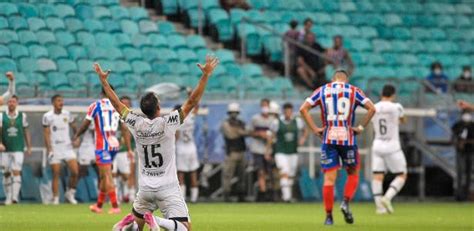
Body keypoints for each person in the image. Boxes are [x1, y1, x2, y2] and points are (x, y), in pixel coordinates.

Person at [111, 56, 219, 231]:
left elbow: (117, 104)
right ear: (158, 107)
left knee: (136, 227)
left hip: (145, 188)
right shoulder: (168, 123)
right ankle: (158, 221)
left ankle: (123, 228)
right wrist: (205, 75)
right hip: (167, 187)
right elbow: (192, 101)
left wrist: (104, 82)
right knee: (185, 228)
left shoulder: (136, 124)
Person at [299, 70, 376, 225]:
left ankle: (328, 217)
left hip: (329, 138)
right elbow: (372, 108)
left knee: (329, 179)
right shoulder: (353, 90)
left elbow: (303, 109)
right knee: (353, 173)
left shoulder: (322, 90)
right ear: (346, 80)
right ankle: (345, 202)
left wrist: (315, 129)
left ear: (333, 79)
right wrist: (360, 127)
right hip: (347, 138)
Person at [73, 85, 128, 214]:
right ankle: (98, 205)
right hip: (114, 145)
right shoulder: (117, 106)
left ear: (101, 93)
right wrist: (129, 148)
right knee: (104, 176)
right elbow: (124, 128)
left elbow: (86, 125)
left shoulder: (96, 105)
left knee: (107, 176)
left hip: (102, 145)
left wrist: (76, 135)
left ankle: (115, 206)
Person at [370, 85, 408, 214]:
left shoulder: (373, 107)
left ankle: (379, 208)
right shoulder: (397, 107)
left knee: (377, 176)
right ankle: (387, 197)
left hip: (377, 144)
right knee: (402, 175)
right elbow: (403, 120)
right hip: (392, 146)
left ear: (381, 93)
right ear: (393, 94)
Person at [42, 94, 79, 205]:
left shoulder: (67, 114)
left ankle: (70, 193)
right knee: (56, 173)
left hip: (67, 147)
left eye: (62, 100)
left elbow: (74, 127)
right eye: (58, 101)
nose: (61, 103)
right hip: (55, 148)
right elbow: (46, 134)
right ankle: (56, 198)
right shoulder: (47, 116)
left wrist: (76, 138)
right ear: (53, 103)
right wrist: (49, 149)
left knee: (75, 172)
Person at [271, 103, 308, 202]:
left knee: (291, 174)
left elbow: (305, 130)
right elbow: (272, 135)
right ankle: (286, 197)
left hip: (293, 151)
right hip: (281, 151)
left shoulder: (298, 121)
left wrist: (302, 139)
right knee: (284, 172)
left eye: (290, 111)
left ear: (292, 111)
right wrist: (269, 148)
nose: (288, 113)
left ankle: (288, 195)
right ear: (283, 111)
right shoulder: (277, 122)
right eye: (286, 111)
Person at [0, 95, 32, 205]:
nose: (11, 103)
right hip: (5, 149)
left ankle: (14, 198)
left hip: (18, 148)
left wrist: (29, 146)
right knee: (6, 172)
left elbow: (26, 131)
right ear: (7, 104)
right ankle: (8, 196)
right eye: (9, 102)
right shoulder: (1, 116)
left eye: (13, 101)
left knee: (16, 171)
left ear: (17, 103)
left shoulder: (22, 116)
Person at [221, 102, 247, 202]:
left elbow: (245, 132)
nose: (234, 114)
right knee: (228, 175)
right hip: (231, 152)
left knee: (242, 175)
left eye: (235, 112)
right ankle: (226, 195)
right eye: (232, 112)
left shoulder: (241, 123)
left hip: (241, 151)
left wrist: (239, 131)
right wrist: (240, 132)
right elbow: (231, 135)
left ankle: (241, 195)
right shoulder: (225, 123)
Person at [249, 98, 274, 201]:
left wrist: (269, 139)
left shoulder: (273, 120)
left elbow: (274, 135)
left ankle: (270, 192)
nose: (265, 108)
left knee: (270, 172)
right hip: (257, 149)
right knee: (260, 171)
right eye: (263, 105)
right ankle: (262, 192)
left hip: (269, 150)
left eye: (266, 105)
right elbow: (250, 132)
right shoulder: (255, 119)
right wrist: (259, 134)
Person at [175, 100, 200, 203]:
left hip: (181, 149)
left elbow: (175, 137)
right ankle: (194, 198)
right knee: (193, 173)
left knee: (181, 174)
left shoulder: (176, 121)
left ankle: (182, 198)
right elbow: (196, 106)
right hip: (191, 148)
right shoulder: (191, 118)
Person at [112, 96, 135, 203]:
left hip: (126, 150)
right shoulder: (113, 117)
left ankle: (129, 194)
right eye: (123, 103)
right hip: (113, 150)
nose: (125, 105)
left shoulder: (134, 120)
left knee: (127, 174)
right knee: (114, 174)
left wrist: (132, 149)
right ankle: (116, 196)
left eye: (127, 103)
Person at [451, 110, 474, 201]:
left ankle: (467, 194)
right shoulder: (457, 125)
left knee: (469, 174)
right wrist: (458, 143)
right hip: (460, 152)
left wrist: (467, 142)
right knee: (460, 173)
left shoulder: (473, 125)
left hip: (471, 152)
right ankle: (459, 195)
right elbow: (453, 138)